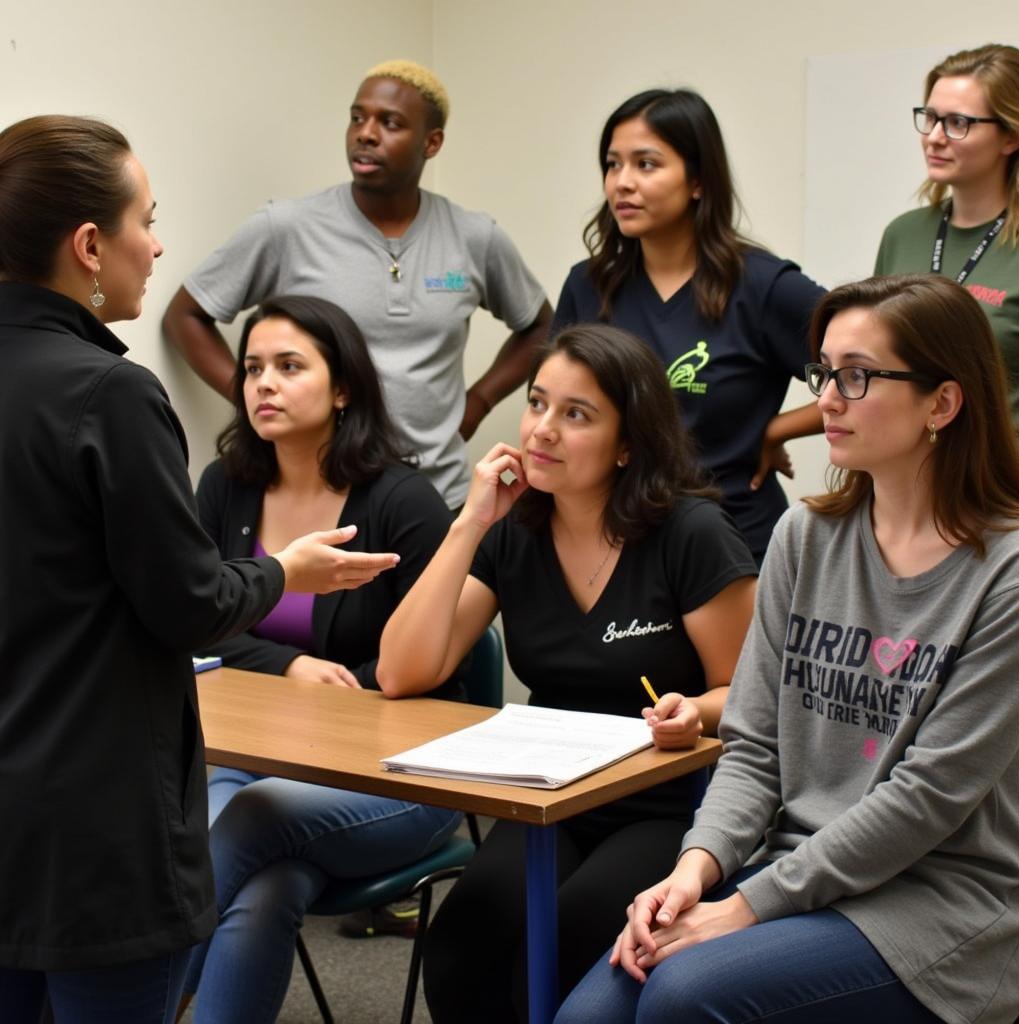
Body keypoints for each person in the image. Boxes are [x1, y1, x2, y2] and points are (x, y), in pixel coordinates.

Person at [0, 116, 400, 1024]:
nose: (159, 244)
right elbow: (187, 604)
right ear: (90, 245)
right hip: (94, 820)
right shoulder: (109, 393)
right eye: (148, 218)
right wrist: (282, 575)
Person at [555, 273, 1019, 1024]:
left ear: (942, 402)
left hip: (938, 903)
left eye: (858, 376)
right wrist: (695, 869)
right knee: (587, 1017)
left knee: (682, 996)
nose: (826, 399)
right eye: (824, 373)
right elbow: (752, 747)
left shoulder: (1010, 572)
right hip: (790, 867)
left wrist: (741, 909)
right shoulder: (805, 537)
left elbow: (927, 799)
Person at [377, 323, 758, 1021]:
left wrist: (694, 712)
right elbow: (402, 672)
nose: (542, 430)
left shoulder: (691, 536)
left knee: (579, 926)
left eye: (575, 414)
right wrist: (470, 522)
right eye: (537, 403)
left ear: (628, 445)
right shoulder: (514, 530)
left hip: (672, 796)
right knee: (467, 934)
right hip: (552, 795)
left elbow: (754, 700)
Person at [177, 294, 463, 1023]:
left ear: (342, 389)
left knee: (241, 825)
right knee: (268, 885)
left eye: (288, 366)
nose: (262, 384)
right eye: (252, 368)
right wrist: (288, 667)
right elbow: (194, 620)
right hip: (255, 761)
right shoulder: (226, 487)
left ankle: (132, 1003)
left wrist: (331, 690)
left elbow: (435, 666)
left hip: (400, 777)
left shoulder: (404, 501)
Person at [163, 58, 552, 510]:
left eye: (390, 123)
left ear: (432, 142)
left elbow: (540, 326)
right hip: (321, 495)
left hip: (437, 495)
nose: (366, 133)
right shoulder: (287, 228)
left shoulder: (474, 237)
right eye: (357, 118)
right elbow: (184, 315)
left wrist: (479, 402)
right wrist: (250, 394)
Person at [552, 88, 825, 563]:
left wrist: (774, 429)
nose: (622, 183)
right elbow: (554, 405)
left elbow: (880, 377)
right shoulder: (588, 284)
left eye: (647, 164)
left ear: (697, 180)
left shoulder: (764, 286)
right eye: (613, 164)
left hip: (736, 541)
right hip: (618, 539)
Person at [875, 44, 1019, 438]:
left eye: (958, 122)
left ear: (1010, 136)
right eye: (931, 118)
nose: (935, 137)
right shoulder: (903, 234)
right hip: (910, 480)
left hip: (1004, 490)